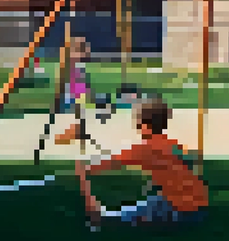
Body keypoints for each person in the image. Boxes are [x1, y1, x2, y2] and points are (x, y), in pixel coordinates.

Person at [76, 98, 208, 228]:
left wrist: (85, 169)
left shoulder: (144, 150)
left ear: (144, 126)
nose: (137, 129)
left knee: (143, 210)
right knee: (155, 201)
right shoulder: (172, 144)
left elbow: (111, 162)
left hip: (181, 211)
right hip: (200, 208)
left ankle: (104, 217)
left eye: (137, 124)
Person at [55, 36, 92, 146]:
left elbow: (85, 54)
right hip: (73, 88)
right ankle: (73, 131)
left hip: (79, 87)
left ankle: (77, 130)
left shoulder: (78, 59)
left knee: (80, 109)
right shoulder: (69, 59)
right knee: (75, 109)